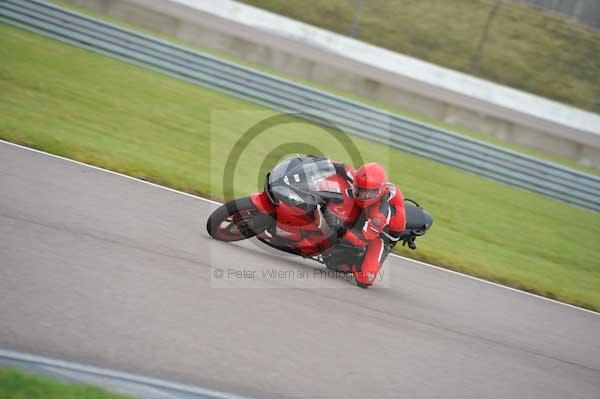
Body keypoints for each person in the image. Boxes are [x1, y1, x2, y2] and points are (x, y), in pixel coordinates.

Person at [324, 162, 407, 288]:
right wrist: (318, 163)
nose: (362, 196)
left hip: (382, 234)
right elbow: (342, 167)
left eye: (367, 193)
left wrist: (338, 227)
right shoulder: (358, 177)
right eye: (359, 190)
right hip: (366, 214)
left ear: (379, 191)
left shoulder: (380, 215)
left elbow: (361, 240)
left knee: (364, 279)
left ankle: (356, 258)